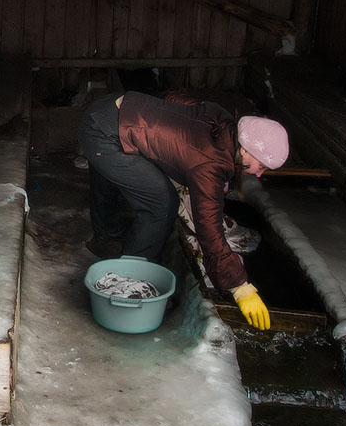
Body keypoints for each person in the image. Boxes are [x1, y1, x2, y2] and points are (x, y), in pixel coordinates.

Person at [77, 91, 289, 330]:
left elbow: (172, 98)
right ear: (247, 149)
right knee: (162, 203)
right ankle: (131, 278)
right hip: (103, 134)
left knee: (116, 173)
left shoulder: (222, 119)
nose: (259, 174)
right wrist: (240, 287)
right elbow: (209, 228)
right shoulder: (211, 163)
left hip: (111, 108)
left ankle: (106, 237)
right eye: (261, 166)